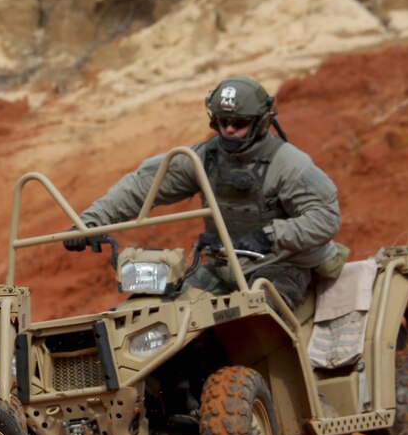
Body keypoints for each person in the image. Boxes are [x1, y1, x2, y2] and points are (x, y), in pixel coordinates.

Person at [63, 76, 344, 310]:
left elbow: (325, 218)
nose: (229, 129)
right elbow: (140, 186)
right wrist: (90, 222)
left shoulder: (289, 164)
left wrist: (268, 237)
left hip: (282, 265)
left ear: (260, 122)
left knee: (254, 318)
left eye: (239, 123)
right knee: (156, 313)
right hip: (224, 265)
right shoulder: (202, 159)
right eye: (223, 121)